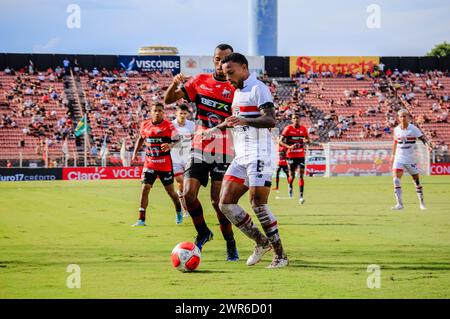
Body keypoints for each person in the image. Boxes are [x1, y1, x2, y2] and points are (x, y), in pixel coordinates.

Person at [209, 52, 288, 268]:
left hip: (260, 153)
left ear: (244, 68)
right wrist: (215, 129)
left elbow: (270, 120)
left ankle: (280, 255)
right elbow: (237, 120)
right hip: (242, 155)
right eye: (225, 74)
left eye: (231, 73)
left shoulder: (257, 88)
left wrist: (244, 119)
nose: (228, 78)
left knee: (258, 205)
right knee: (224, 203)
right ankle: (261, 242)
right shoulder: (237, 92)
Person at [163, 44, 238, 261]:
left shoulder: (237, 89)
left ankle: (230, 242)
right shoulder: (200, 81)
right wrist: (174, 83)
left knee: (218, 202)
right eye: (217, 58)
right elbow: (169, 100)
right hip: (199, 146)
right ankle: (203, 232)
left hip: (224, 149)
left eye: (224, 59)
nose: (220, 62)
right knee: (187, 194)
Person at [131, 102, 183, 226]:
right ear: (151, 112)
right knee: (145, 188)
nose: (157, 113)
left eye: (160, 110)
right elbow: (141, 138)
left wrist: (170, 145)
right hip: (150, 163)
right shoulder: (145, 124)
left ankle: (179, 210)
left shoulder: (168, 126)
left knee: (171, 192)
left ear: (163, 112)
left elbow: (179, 140)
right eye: (155, 110)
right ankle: (141, 219)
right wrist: (135, 153)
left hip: (165, 164)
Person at [391, 109, 432, 210]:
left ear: (408, 117)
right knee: (396, 180)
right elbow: (395, 142)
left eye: (405, 116)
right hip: (399, 158)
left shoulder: (413, 129)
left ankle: (422, 203)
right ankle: (400, 204)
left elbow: (423, 138)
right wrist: (393, 155)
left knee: (416, 181)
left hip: (410, 159)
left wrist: (427, 146)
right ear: (398, 118)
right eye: (401, 116)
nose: (403, 118)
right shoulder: (396, 129)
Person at [170, 104, 195, 217]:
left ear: (188, 114)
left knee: (189, 185)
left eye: (185, 113)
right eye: (181, 113)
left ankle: (189, 207)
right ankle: (185, 209)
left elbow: (195, 138)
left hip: (188, 157)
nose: (183, 115)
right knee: (181, 182)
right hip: (175, 158)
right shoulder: (171, 125)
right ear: (176, 113)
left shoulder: (192, 125)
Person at [280, 113, 310, 203]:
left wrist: (306, 140)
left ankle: (301, 196)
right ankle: (290, 185)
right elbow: (280, 141)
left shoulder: (304, 129)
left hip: (301, 155)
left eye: (297, 118)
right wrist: (289, 147)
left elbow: (308, 140)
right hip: (291, 155)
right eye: (294, 118)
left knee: (301, 175)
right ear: (292, 119)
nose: (296, 119)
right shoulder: (288, 129)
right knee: (292, 176)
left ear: (300, 119)